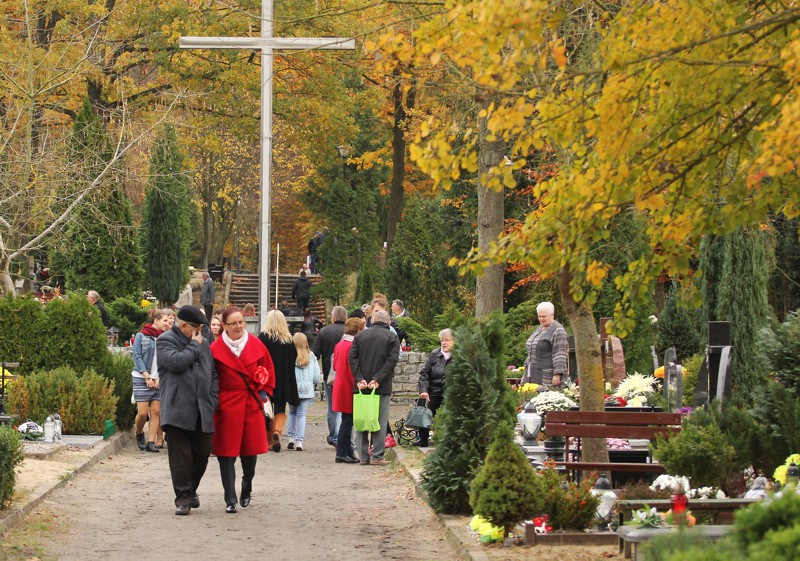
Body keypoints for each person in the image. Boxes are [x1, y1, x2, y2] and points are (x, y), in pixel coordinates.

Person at [210, 307, 275, 513]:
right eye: (233, 323)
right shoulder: (215, 348)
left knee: (249, 452)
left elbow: (269, 370)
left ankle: (247, 484)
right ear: (224, 326)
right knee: (226, 453)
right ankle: (230, 498)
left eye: (241, 322)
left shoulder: (256, 344)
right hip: (226, 403)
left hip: (250, 402)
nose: (238, 326)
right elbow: (211, 377)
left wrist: (263, 392)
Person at [157, 306, 218, 515]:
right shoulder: (165, 340)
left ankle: (191, 490)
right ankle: (183, 498)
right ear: (184, 326)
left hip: (202, 407)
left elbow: (213, 373)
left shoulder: (203, 343)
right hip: (176, 408)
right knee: (180, 457)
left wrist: (213, 398)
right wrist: (193, 346)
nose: (200, 331)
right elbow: (175, 362)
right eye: (197, 327)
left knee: (202, 452)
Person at [348, 310, 400, 466]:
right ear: (388, 322)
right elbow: (392, 361)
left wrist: (359, 378)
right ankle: (377, 455)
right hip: (381, 386)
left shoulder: (360, 336)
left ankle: (363, 457)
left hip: (361, 386)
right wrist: (378, 378)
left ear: (372, 320)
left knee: (362, 420)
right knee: (379, 421)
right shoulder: (392, 337)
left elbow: (352, 357)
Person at [257, 310, 299, 453]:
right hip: (284, 379)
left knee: (266, 410)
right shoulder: (288, 340)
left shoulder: (263, 337)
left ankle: (269, 441)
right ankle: (278, 432)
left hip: (267, 377)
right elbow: (294, 359)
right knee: (280, 407)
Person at [131, 309, 171, 452]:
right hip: (141, 377)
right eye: (165, 321)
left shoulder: (166, 338)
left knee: (155, 411)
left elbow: (166, 360)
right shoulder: (141, 336)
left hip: (158, 379)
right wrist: (147, 376)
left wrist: (159, 377)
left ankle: (150, 442)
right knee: (142, 413)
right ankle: (140, 432)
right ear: (156, 320)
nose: (167, 324)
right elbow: (136, 356)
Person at [312, 306, 347, 447]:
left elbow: (315, 354)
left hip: (331, 376)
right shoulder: (350, 331)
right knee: (348, 407)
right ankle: (346, 436)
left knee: (332, 407)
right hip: (349, 376)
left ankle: (334, 436)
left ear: (332, 318)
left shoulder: (324, 332)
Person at [332, 317, 365, 463]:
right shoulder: (352, 346)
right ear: (358, 330)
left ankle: (347, 451)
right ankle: (342, 452)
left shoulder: (340, 344)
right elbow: (353, 368)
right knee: (347, 421)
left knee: (347, 420)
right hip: (348, 385)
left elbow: (334, 366)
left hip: (340, 383)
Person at [416, 328, 454, 447]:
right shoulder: (434, 354)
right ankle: (423, 440)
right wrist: (424, 391)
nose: (444, 343)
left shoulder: (459, 356)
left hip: (451, 394)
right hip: (433, 392)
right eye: (442, 340)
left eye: (447, 340)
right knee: (424, 407)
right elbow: (424, 374)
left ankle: (447, 440)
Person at [522, 301, 569, 387]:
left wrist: (557, 374)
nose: (541, 319)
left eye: (544, 316)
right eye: (539, 316)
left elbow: (560, 353)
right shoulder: (539, 328)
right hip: (532, 372)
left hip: (548, 375)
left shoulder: (558, 330)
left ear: (552, 315)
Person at [287, 333, 320, 451]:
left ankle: (291, 438)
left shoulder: (290, 356)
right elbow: (316, 376)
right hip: (306, 389)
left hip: (293, 388)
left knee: (292, 413)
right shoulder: (311, 357)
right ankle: (299, 441)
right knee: (302, 415)